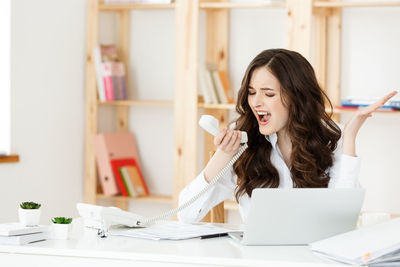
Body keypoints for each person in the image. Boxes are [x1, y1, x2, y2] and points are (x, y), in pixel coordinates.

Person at [178, 48, 397, 223]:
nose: (256, 102)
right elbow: (186, 215)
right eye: (252, 92)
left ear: (297, 97)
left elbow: (343, 218)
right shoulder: (244, 140)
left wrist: (349, 138)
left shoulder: (330, 137)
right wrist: (223, 156)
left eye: (268, 93)